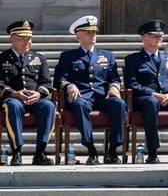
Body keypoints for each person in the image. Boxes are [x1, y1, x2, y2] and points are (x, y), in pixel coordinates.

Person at [53, 15, 126, 164]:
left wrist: (113, 87)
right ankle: (91, 149)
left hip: (101, 97)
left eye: (94, 32)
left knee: (120, 104)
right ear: (78, 36)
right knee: (79, 105)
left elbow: (114, 78)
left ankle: (113, 150)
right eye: (88, 32)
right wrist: (69, 85)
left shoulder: (107, 55)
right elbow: (58, 79)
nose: (93, 35)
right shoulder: (68, 56)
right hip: (81, 97)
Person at [123, 19, 168, 164]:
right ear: (144, 38)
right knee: (151, 103)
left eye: (160, 36)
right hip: (145, 99)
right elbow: (132, 84)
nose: (159, 39)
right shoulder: (134, 59)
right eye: (154, 36)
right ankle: (152, 152)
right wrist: (153, 94)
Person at [0, 21, 55, 165]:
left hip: (34, 99)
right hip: (12, 98)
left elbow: (46, 82)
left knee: (49, 106)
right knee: (13, 106)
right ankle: (16, 152)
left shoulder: (39, 58)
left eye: (29, 38)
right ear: (12, 39)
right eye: (22, 38)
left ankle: (40, 153)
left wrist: (39, 94)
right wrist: (14, 93)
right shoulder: (2, 58)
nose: (27, 42)